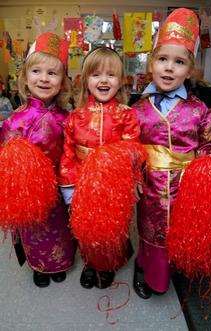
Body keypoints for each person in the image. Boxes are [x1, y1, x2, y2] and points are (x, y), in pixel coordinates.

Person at [132, 8, 211, 299]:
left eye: (179, 62)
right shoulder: (138, 110)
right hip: (150, 187)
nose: (169, 68)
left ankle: (179, 265)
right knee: (152, 233)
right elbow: (130, 148)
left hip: (186, 189)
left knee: (182, 232)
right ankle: (149, 271)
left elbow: (209, 144)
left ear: (190, 70)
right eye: (163, 59)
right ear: (152, 64)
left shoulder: (199, 110)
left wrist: (210, 162)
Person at [59, 47, 140, 289]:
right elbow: (68, 154)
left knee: (113, 230)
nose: (104, 80)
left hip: (114, 187)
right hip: (84, 185)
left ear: (121, 81)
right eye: (96, 75)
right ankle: (89, 263)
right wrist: (69, 188)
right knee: (86, 229)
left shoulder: (127, 115)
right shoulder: (75, 117)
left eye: (111, 75)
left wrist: (127, 175)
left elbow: (135, 150)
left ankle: (108, 265)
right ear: (85, 81)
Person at [0, 32, 77, 287]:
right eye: (36, 71)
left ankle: (60, 263)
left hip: (60, 188)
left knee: (61, 228)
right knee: (34, 230)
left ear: (62, 82)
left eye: (52, 73)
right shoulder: (15, 121)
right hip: (29, 192)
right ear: (25, 76)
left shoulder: (68, 119)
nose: (43, 78)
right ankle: (39, 267)